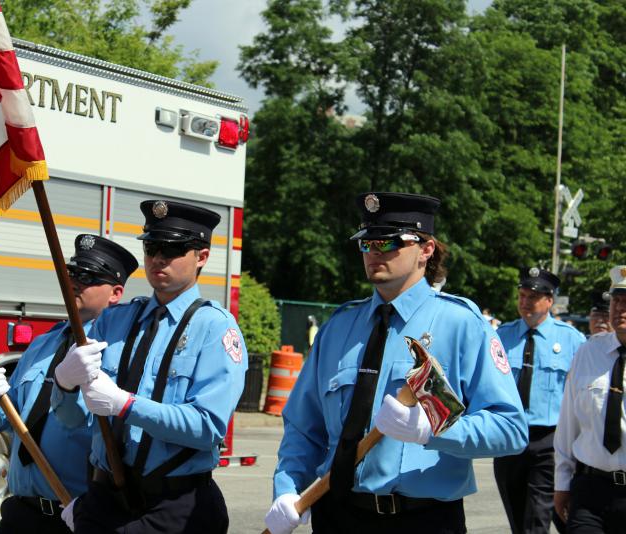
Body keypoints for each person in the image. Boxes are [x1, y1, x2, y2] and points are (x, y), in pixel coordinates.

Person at [264, 192, 528, 534]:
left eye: (389, 244)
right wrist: (287, 489)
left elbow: (510, 429)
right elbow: (303, 427)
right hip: (337, 515)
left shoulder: (461, 324)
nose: (375, 252)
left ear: (426, 249)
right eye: (367, 243)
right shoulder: (339, 327)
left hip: (421, 520)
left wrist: (432, 430)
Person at [52, 200, 247, 533]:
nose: (159, 257)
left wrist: (127, 406)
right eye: (153, 246)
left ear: (201, 257)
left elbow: (208, 427)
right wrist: (65, 386)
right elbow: (73, 420)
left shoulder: (215, 328)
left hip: (173, 505)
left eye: (173, 249)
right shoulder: (112, 322)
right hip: (104, 499)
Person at [0, 234, 138, 533]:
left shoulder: (117, 352)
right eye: (72, 273)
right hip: (19, 511)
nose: (75, 282)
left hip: (74, 514)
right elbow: (15, 424)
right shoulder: (42, 344)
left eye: (88, 277)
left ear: (115, 293)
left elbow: (87, 424)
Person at [493, 268, 586, 534]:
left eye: (533, 297)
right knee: (516, 513)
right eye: (522, 295)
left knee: (537, 515)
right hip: (509, 438)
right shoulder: (502, 336)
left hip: (548, 440)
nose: (525, 302)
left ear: (549, 301)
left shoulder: (571, 340)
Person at [554, 265, 626, 533]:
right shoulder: (588, 352)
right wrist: (562, 483)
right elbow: (568, 424)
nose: (619, 308)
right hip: (590, 491)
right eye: (616, 300)